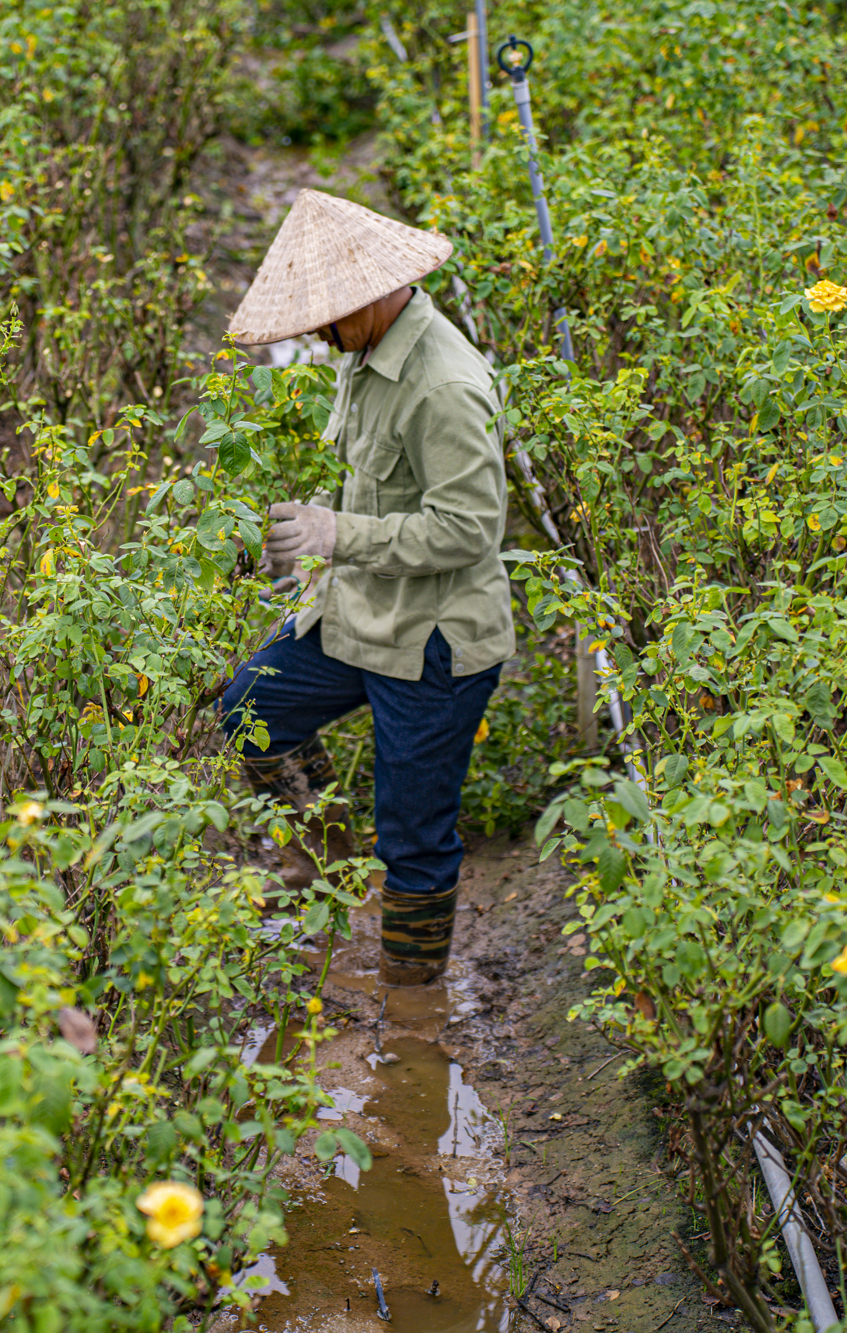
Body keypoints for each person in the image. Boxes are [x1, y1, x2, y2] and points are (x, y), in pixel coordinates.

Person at [219, 189, 514, 987]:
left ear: (378, 293)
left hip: (434, 640)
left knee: (415, 838)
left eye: (329, 316)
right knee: (250, 707)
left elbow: (468, 530)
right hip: (360, 609)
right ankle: (334, 873)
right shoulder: (365, 353)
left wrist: (337, 533)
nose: (318, 333)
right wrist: (317, 544)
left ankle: (412, 1018)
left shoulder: (443, 384)